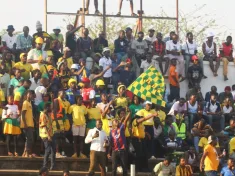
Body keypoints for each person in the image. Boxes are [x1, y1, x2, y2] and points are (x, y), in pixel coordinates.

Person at [109, 108, 130, 176]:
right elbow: (110, 142)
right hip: (114, 151)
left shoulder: (121, 128)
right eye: (115, 121)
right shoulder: (111, 132)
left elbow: (126, 120)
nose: (117, 121)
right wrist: (109, 152)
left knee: (124, 168)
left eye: (117, 120)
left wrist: (129, 113)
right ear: (113, 124)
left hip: (122, 150)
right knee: (113, 168)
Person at [39, 103, 55, 170]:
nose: (51, 108)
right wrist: (48, 136)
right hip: (45, 135)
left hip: (51, 134)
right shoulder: (43, 114)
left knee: (53, 150)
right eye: (50, 107)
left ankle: (52, 166)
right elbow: (44, 125)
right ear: (47, 108)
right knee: (48, 150)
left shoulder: (49, 114)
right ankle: (44, 166)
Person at [21, 91, 34, 157]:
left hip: (30, 124)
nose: (31, 95)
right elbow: (23, 114)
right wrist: (25, 124)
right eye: (30, 94)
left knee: (29, 139)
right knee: (29, 138)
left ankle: (25, 152)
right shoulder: (25, 103)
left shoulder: (30, 103)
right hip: (27, 124)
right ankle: (27, 153)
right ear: (26, 95)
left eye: (32, 94)